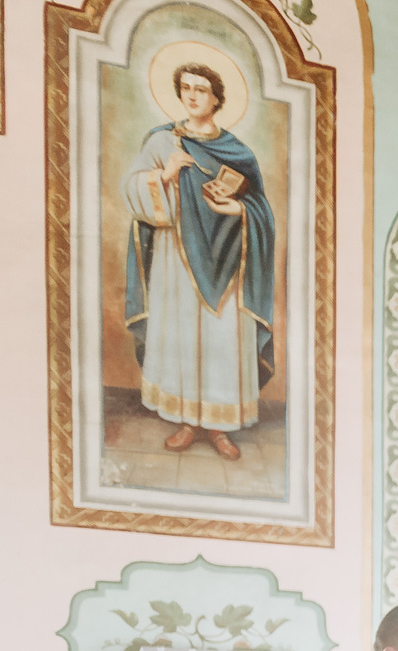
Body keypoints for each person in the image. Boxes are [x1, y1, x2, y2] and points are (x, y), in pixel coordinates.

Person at [122, 60, 275, 461]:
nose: (192, 95)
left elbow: (261, 211)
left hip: (228, 262)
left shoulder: (238, 152)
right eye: (186, 87)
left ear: (217, 98)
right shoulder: (161, 143)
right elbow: (133, 193)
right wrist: (165, 175)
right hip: (177, 257)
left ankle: (219, 426)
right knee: (184, 336)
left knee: (222, 339)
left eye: (201, 89)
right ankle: (188, 420)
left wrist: (238, 212)